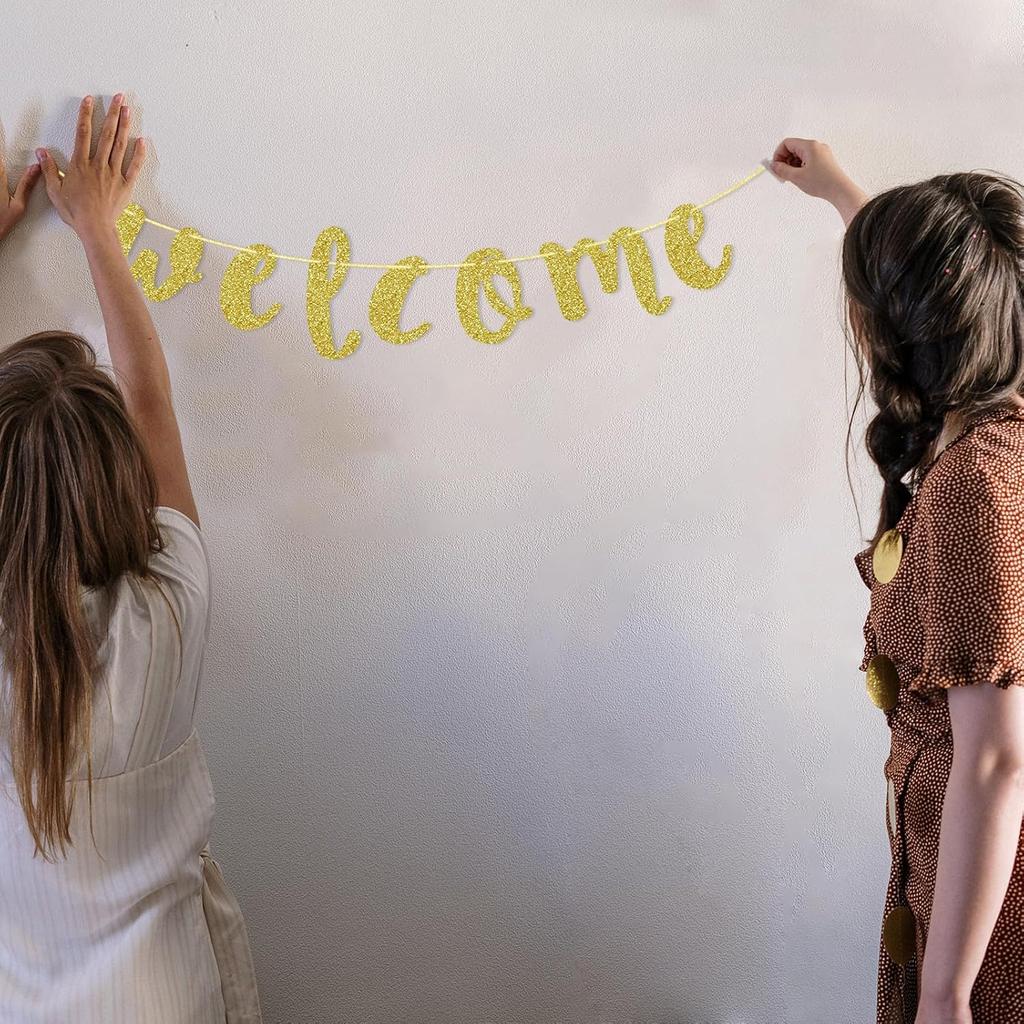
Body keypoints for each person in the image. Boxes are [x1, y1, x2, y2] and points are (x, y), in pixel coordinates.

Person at [0, 94, 262, 1023]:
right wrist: (99, 231)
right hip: (175, 995)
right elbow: (152, 401)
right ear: (122, 477)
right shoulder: (171, 604)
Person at [772, 138, 1024, 1024]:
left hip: (994, 923)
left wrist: (947, 995)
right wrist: (843, 194)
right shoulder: (1002, 431)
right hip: (969, 881)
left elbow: (995, 760)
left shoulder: (973, 488)